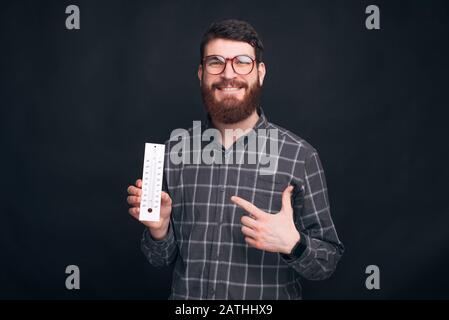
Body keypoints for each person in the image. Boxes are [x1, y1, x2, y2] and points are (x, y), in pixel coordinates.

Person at [126, 19, 344, 299]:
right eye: (216, 62)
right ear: (201, 73)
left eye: (242, 62)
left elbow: (327, 263)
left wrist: (294, 245)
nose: (228, 74)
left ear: (260, 72)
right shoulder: (172, 154)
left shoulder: (299, 157)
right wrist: (159, 230)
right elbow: (160, 259)